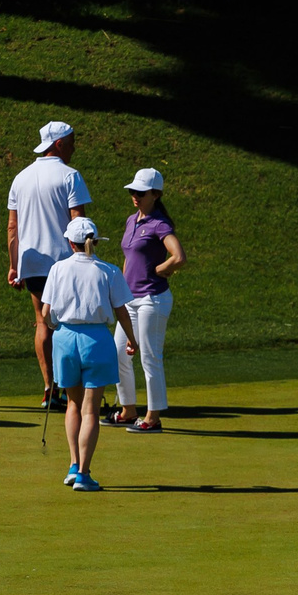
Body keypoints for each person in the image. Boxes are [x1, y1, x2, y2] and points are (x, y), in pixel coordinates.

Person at [38, 217, 136, 492]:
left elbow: (46, 314)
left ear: (71, 242)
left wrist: (55, 327)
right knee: (90, 409)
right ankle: (82, 474)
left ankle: (73, 465)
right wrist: (131, 339)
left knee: (73, 405)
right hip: (97, 339)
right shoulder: (109, 270)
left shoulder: (58, 269)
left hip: (65, 339)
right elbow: (121, 311)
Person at [9, 120, 91, 410]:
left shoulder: (20, 178)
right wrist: (88, 259)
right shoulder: (70, 176)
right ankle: (70, 391)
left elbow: (12, 228)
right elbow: (79, 223)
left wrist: (13, 265)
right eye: (71, 141)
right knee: (68, 324)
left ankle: (49, 389)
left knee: (42, 322)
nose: (74, 147)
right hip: (66, 261)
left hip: (31, 262)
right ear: (58, 144)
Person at [112, 167, 185, 432]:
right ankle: (128, 410)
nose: (135, 196)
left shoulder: (160, 224)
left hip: (153, 300)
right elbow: (129, 259)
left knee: (149, 357)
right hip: (130, 300)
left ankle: (153, 417)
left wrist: (162, 270)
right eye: (133, 191)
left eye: (141, 192)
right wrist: (119, 290)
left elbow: (179, 257)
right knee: (118, 351)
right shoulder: (132, 220)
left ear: (155, 194)